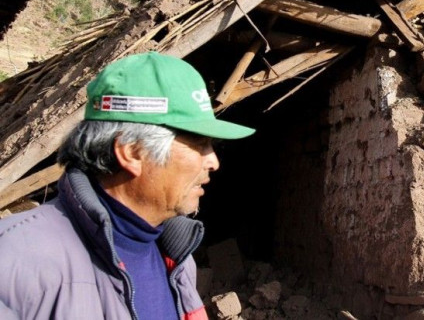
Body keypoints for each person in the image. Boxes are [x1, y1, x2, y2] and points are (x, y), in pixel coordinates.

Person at [0, 52, 255, 319]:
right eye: (199, 143)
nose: (213, 161)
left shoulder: (177, 260)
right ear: (132, 152)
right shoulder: (16, 261)